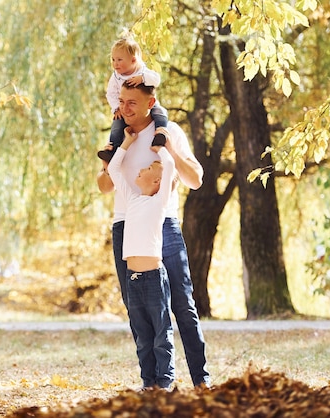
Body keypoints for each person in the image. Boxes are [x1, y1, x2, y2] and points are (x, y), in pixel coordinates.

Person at [97, 82, 212, 388]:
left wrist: (166, 146)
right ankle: (152, 382)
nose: (124, 108)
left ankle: (201, 381)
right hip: (126, 227)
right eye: (121, 102)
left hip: (164, 225)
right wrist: (117, 150)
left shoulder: (170, 130)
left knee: (183, 306)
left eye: (132, 102)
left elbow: (197, 180)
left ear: (151, 103)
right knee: (137, 310)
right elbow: (104, 185)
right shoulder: (119, 134)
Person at [107, 126, 176, 390]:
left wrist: (161, 150)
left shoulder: (159, 203)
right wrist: (126, 143)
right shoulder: (132, 199)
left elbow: (168, 168)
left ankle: (165, 381)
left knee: (161, 333)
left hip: (153, 279)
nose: (140, 170)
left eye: (147, 169)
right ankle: (148, 382)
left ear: (158, 181)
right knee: (143, 335)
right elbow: (114, 170)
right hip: (133, 279)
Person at [97, 35, 168, 163]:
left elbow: (156, 80)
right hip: (124, 110)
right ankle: (112, 148)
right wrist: (116, 108)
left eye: (119, 60)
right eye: (113, 59)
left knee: (160, 113)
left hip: (148, 106)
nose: (115, 63)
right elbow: (111, 94)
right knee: (117, 125)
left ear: (133, 60)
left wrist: (143, 79)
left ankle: (160, 133)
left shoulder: (142, 71)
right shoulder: (116, 77)